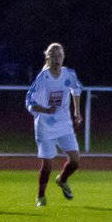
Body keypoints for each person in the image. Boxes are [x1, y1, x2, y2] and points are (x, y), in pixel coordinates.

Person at [25, 43, 84, 207]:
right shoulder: (43, 78)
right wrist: (45, 110)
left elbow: (76, 89)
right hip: (45, 125)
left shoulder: (68, 74)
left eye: (60, 56)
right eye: (54, 56)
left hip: (64, 124)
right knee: (48, 164)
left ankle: (62, 180)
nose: (57, 59)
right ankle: (40, 196)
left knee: (75, 161)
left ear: (63, 57)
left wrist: (77, 112)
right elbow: (29, 101)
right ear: (48, 57)